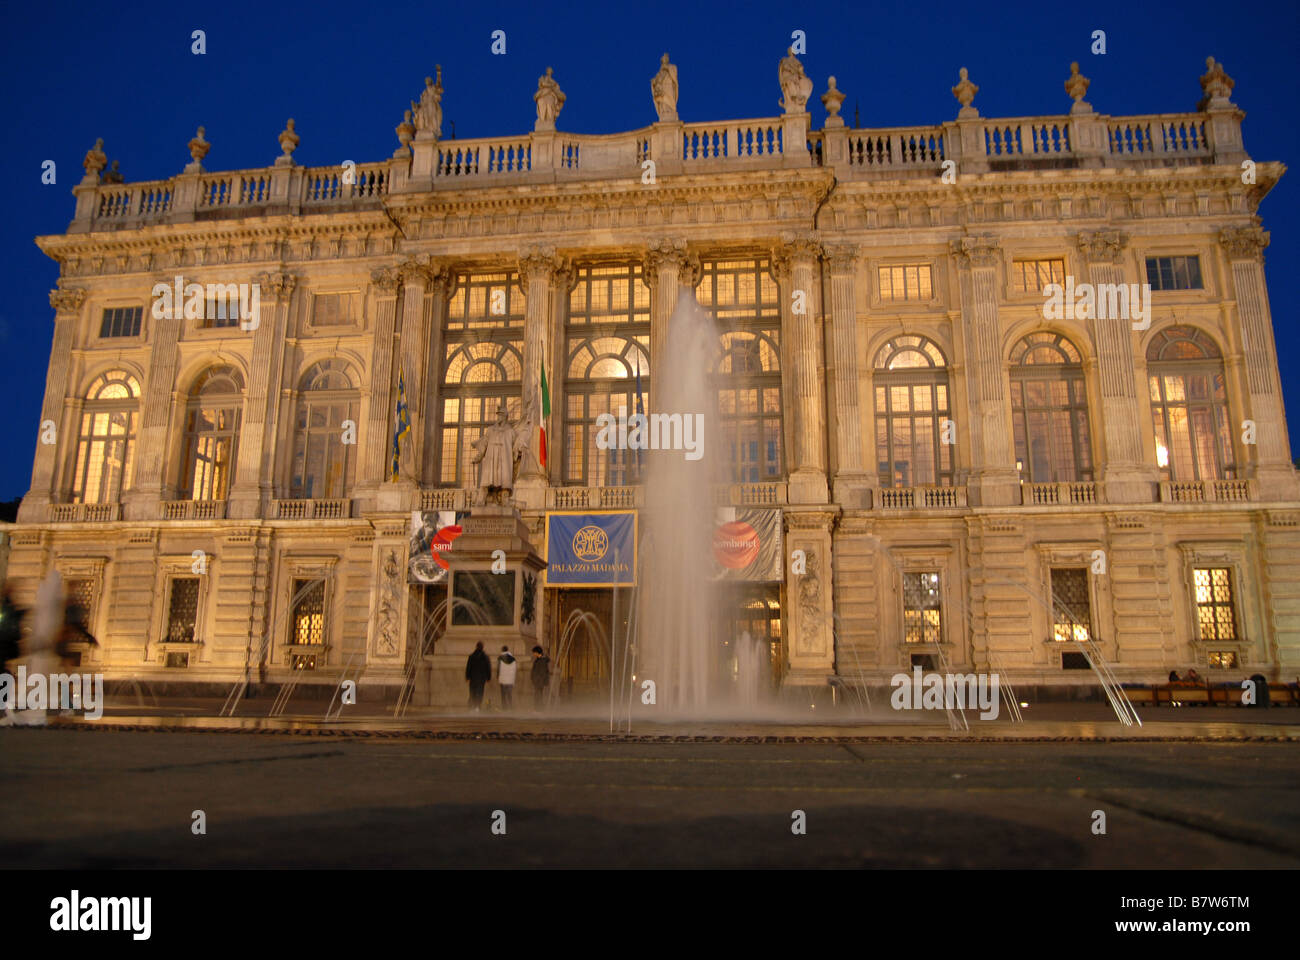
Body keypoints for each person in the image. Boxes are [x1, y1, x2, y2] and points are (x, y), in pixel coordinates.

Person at [465, 641, 491, 712]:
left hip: (473, 678)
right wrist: (488, 677)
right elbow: (488, 667)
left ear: (476, 647)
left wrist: (467, 676)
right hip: (481, 678)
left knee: (472, 692)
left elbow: (468, 667)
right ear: (483, 647)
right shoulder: (485, 657)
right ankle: (478, 706)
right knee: (480, 692)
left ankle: (472, 706)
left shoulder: (471, 656)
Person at [497, 646, 517, 710]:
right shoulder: (513, 659)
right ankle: (510, 707)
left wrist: (497, 676)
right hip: (510, 679)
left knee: (503, 695)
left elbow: (498, 669)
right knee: (509, 694)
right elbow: (514, 670)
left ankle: (504, 708)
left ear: (502, 650)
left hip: (503, 679)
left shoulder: (500, 658)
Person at [531, 645, 551, 710]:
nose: (533, 654)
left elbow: (542, 673)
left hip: (539, 682)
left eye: (534, 652)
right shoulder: (539, 660)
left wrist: (537, 681)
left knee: (538, 696)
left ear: (537, 652)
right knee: (538, 696)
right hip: (538, 681)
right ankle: (538, 709)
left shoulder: (542, 660)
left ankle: (539, 709)